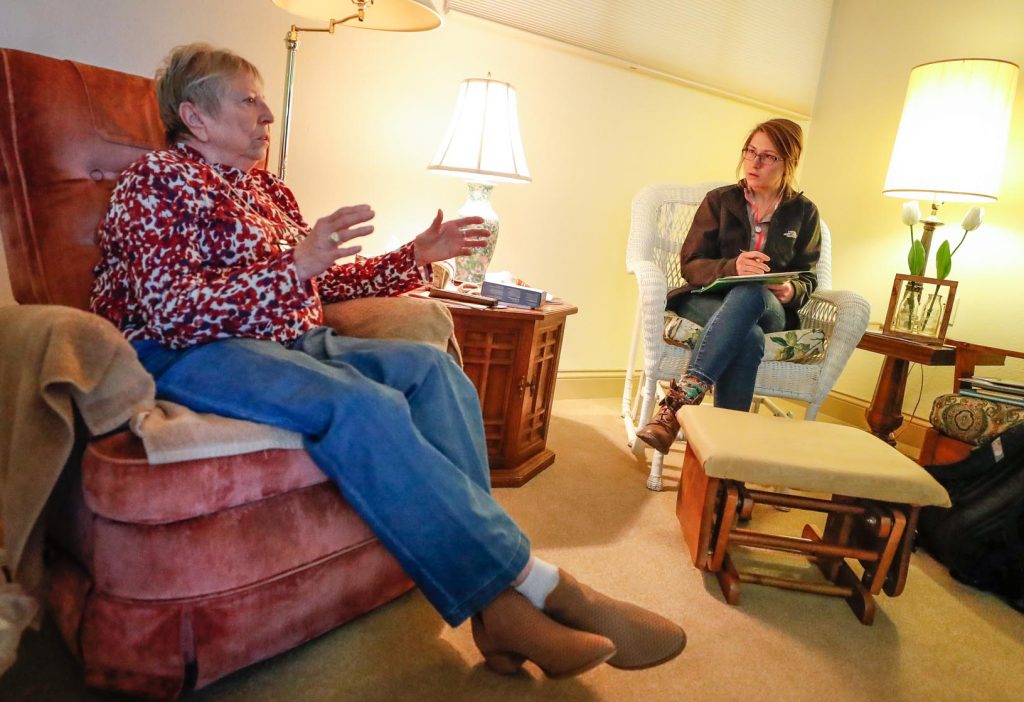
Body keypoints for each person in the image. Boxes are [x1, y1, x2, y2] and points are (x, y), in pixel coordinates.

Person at [90, 43, 685, 679]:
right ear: (195, 117)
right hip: (188, 350)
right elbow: (171, 310)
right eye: (248, 100)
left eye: (264, 100)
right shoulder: (155, 181)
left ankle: (501, 611)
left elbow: (323, 284)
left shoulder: (267, 191)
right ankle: (543, 589)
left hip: (287, 340)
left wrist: (415, 256)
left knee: (435, 372)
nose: (267, 114)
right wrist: (294, 266)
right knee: (359, 404)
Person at [636, 118, 821, 454]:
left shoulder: (804, 213)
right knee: (747, 337)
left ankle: (677, 405)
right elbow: (691, 264)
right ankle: (726, 454)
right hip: (708, 300)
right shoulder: (719, 201)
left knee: (751, 291)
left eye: (767, 156)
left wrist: (792, 291)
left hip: (769, 308)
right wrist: (732, 266)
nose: (755, 162)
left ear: (788, 162)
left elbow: (808, 276)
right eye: (750, 152)